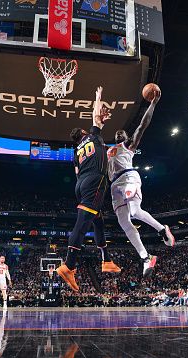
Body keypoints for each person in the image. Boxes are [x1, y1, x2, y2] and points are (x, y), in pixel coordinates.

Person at [57, 86, 119, 291]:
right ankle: (69, 265)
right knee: (82, 224)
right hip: (94, 181)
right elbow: (95, 115)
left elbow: (76, 172)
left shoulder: (76, 152)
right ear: (84, 133)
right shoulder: (92, 136)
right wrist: (98, 97)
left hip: (81, 183)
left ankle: (106, 260)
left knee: (98, 221)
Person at [107, 88, 174, 278]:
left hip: (129, 178)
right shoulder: (108, 151)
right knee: (123, 223)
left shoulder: (129, 146)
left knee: (135, 212)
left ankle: (162, 229)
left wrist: (153, 104)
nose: (120, 133)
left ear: (127, 138)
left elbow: (143, 125)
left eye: (123, 133)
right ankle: (146, 258)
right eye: (117, 133)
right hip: (114, 186)